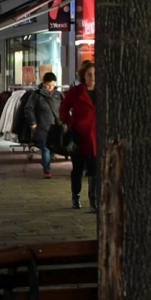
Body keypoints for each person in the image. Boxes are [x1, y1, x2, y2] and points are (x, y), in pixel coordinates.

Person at [60, 60, 99, 211]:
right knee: (77, 169)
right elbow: (63, 109)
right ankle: (75, 197)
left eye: (94, 74)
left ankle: (93, 200)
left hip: (95, 137)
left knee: (94, 171)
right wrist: (71, 122)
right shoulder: (75, 92)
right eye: (89, 74)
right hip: (79, 137)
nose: (92, 77)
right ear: (84, 76)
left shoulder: (101, 91)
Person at [30, 72, 62, 178]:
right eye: (48, 85)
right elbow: (28, 109)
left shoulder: (59, 95)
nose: (50, 87)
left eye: (52, 85)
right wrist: (33, 122)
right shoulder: (37, 95)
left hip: (56, 127)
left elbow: (65, 109)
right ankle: (47, 170)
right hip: (42, 126)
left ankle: (46, 162)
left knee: (53, 149)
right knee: (45, 149)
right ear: (43, 83)